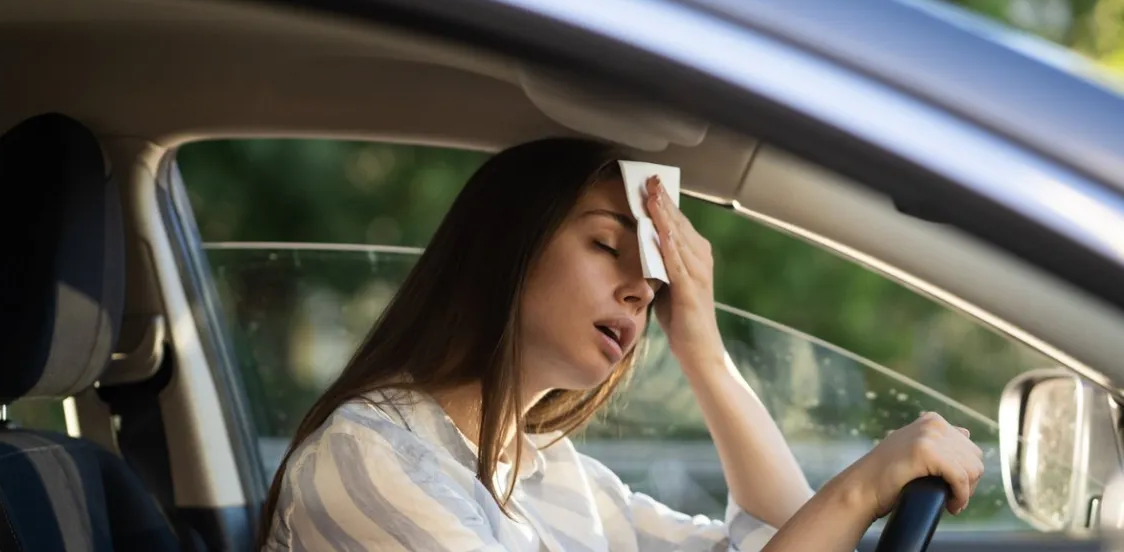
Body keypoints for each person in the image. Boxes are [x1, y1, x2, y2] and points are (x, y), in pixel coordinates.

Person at [258, 137, 984, 552]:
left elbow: (778, 538)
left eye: (655, 273)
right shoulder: (366, 461)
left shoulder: (554, 477)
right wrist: (862, 483)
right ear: (507, 247)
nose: (643, 286)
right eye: (608, 244)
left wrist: (701, 348)